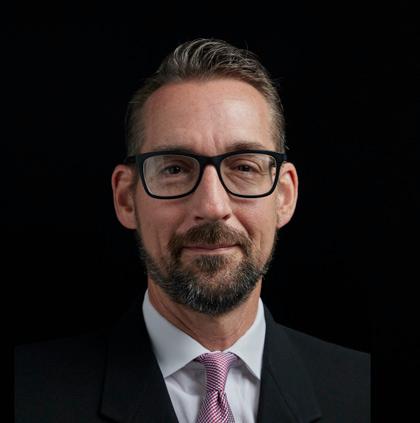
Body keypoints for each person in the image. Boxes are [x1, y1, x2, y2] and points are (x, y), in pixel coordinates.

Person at [15, 38, 370, 422]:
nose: (212, 207)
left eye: (244, 167)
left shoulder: (361, 392)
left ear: (284, 196)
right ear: (126, 199)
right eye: (175, 169)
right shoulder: (26, 397)